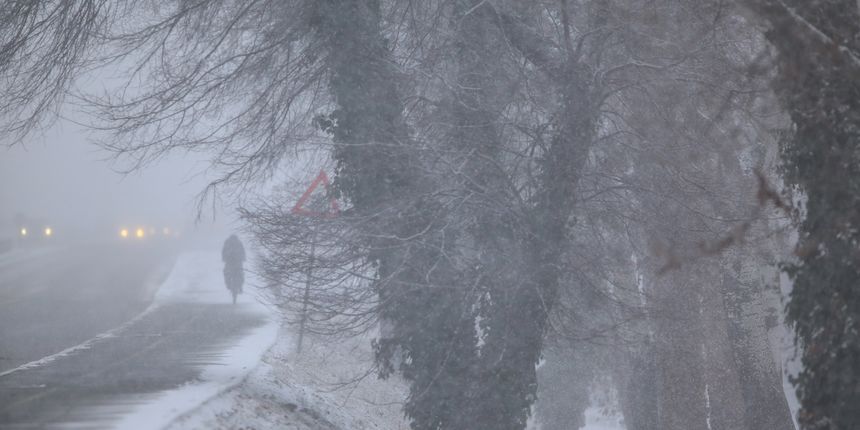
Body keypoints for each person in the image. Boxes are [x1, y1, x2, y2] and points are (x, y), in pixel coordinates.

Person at [222, 234, 246, 304]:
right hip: (237, 262)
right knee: (241, 274)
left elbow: (223, 252)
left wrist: (224, 258)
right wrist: (243, 258)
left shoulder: (227, 243)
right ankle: (240, 286)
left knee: (226, 273)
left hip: (229, 262)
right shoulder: (239, 243)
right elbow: (243, 252)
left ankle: (228, 284)